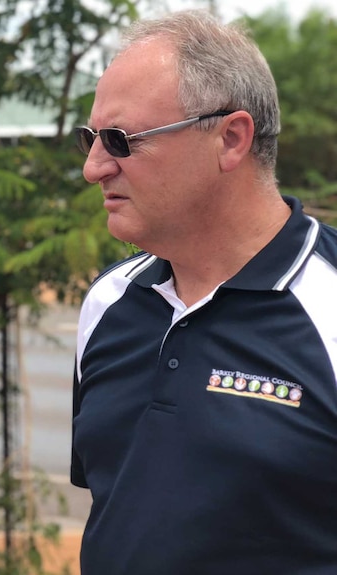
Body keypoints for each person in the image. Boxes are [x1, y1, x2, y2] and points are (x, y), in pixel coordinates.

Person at [70, 10, 337, 575]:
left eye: (119, 140)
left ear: (231, 138)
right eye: (89, 139)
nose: (94, 168)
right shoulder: (108, 304)